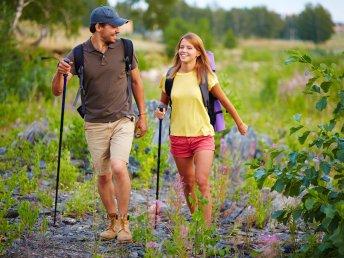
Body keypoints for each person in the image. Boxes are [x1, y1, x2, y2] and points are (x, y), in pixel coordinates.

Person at [52, 6, 147, 243]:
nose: (118, 29)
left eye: (118, 25)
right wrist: (59, 72)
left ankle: (125, 223)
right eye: (113, 25)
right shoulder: (78, 54)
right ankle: (113, 221)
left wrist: (142, 115)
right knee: (103, 176)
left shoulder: (126, 47)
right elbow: (57, 91)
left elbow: (136, 82)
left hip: (123, 119)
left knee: (118, 166)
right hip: (94, 123)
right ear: (98, 27)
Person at [155, 32, 248, 228]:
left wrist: (239, 123)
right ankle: (197, 221)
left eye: (189, 47)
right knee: (187, 184)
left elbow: (224, 101)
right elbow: (163, 103)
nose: (184, 50)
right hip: (178, 137)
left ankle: (205, 229)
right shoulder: (169, 76)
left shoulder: (205, 76)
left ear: (198, 52)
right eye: (182, 47)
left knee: (201, 181)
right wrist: (160, 111)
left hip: (203, 136)